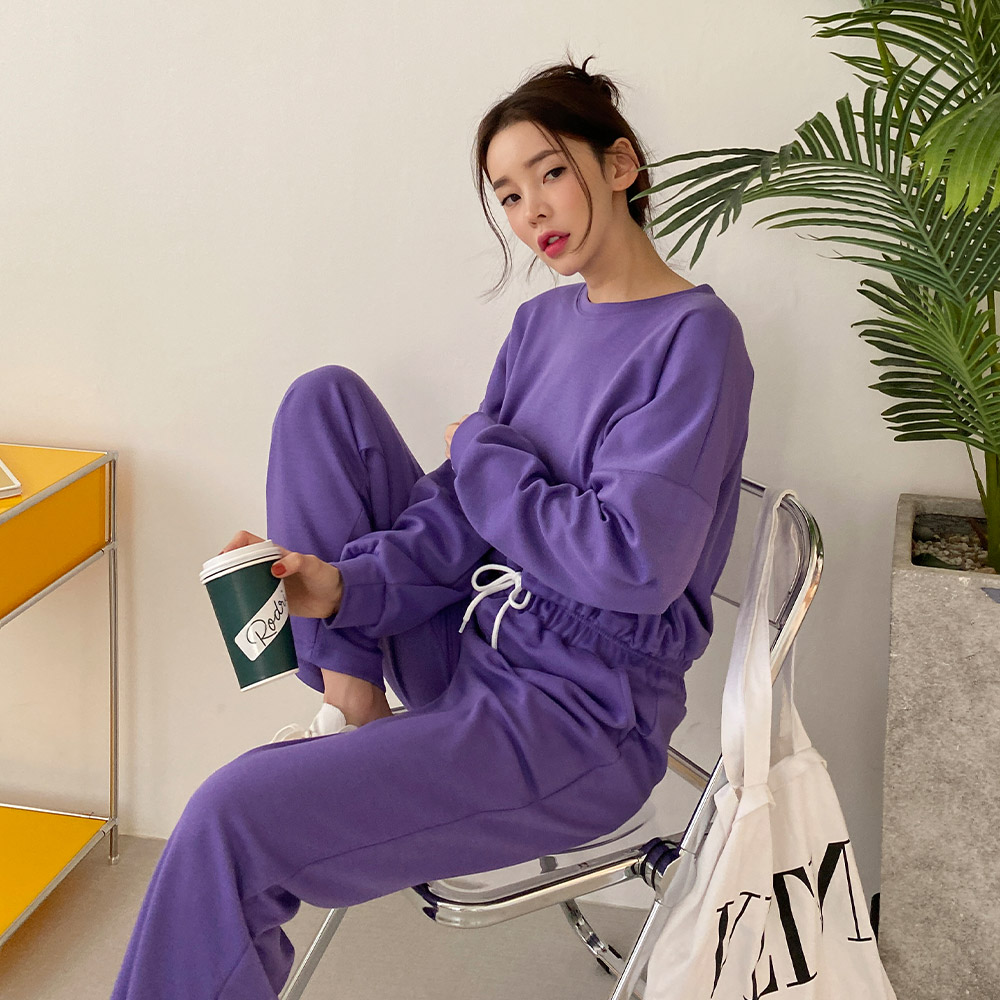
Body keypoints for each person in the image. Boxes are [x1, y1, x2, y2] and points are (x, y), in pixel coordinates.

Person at [110, 55, 754, 999]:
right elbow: (461, 508)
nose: (531, 211)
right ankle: (351, 693)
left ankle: (349, 712)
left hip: (577, 719)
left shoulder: (696, 339)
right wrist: (344, 587)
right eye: (508, 194)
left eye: (550, 172)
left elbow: (633, 565)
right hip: (475, 645)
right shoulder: (541, 326)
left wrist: (485, 449)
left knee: (228, 817)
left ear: (619, 166)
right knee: (322, 400)